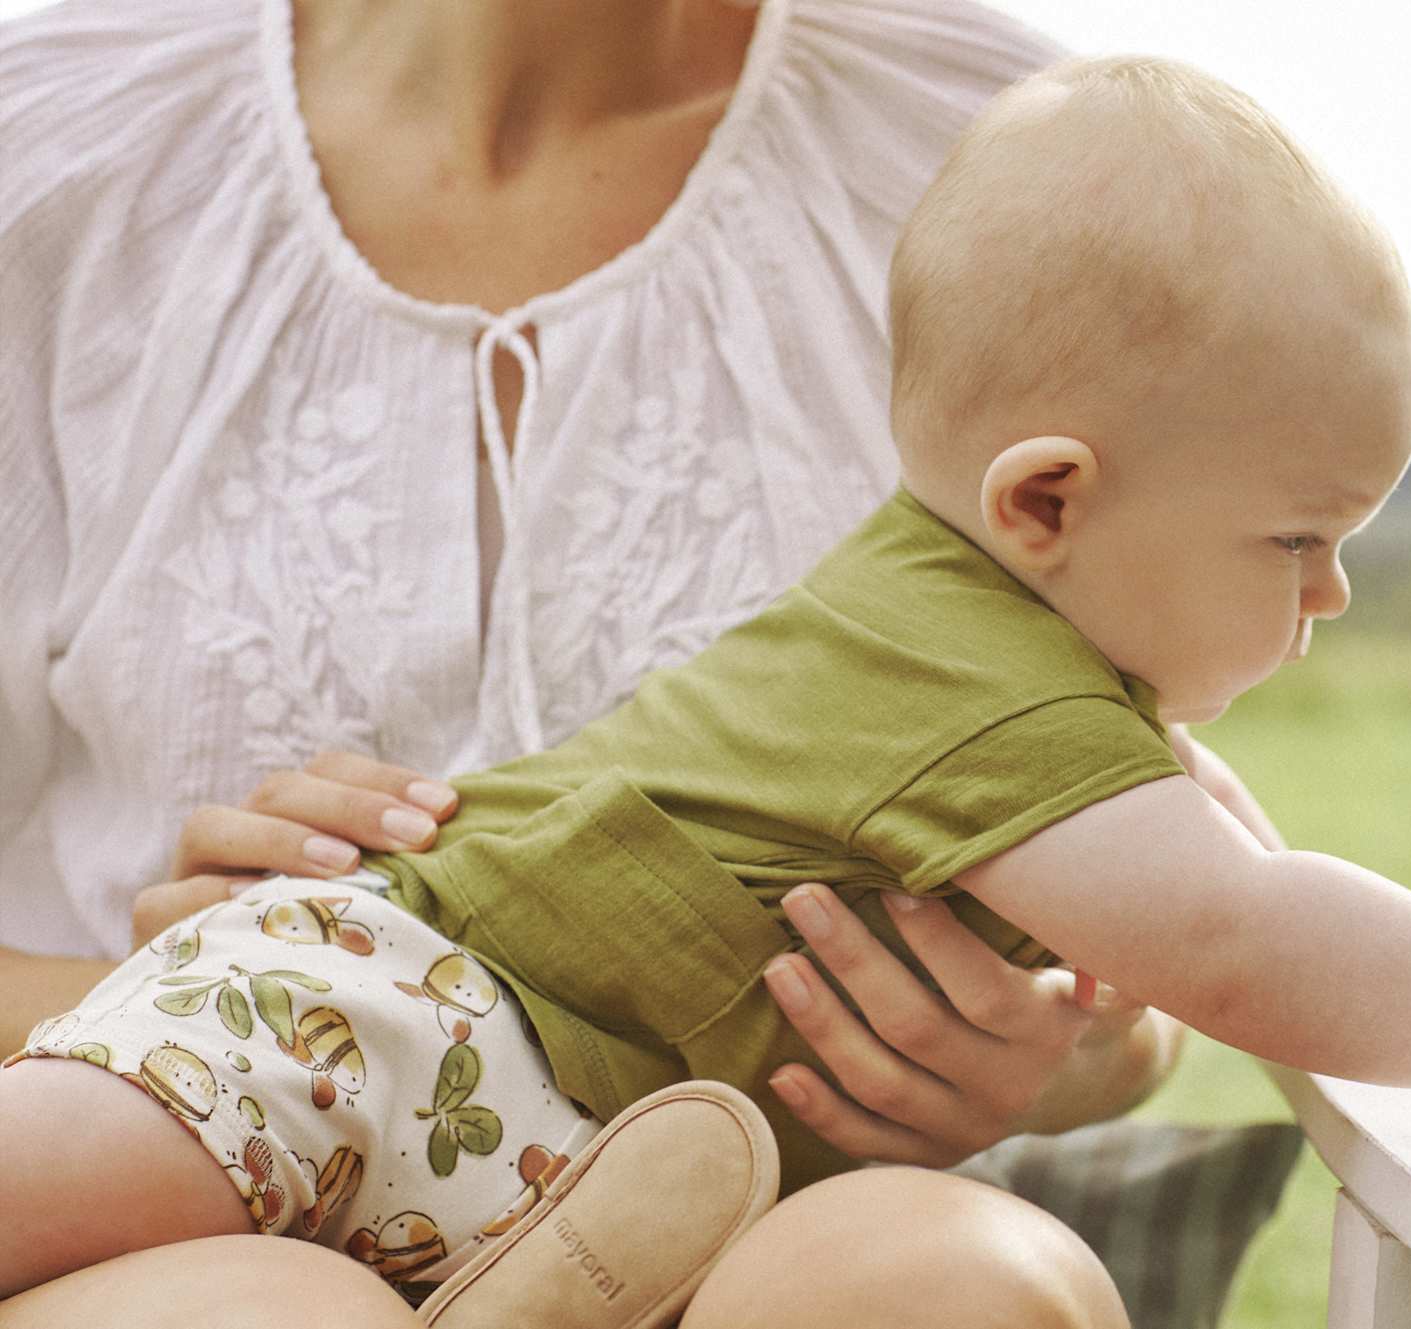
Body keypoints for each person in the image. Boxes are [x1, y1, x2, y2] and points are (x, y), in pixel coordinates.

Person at [0, 51, 1411, 1313]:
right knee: (62, 1178)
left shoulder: (1008, 660)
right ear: (1050, 498)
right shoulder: (987, 684)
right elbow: (1252, 939)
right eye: (1297, 538)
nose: (1335, 593)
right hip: (387, 1018)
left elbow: (1204, 895)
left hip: (534, 1137)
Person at [0, 0, 1226, 1325]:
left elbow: (1172, 916)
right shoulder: (53, 144)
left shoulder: (1026, 156)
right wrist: (206, 999)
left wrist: (1053, 1049)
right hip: (159, 1206)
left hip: (780, 1213)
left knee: (963, 1293)